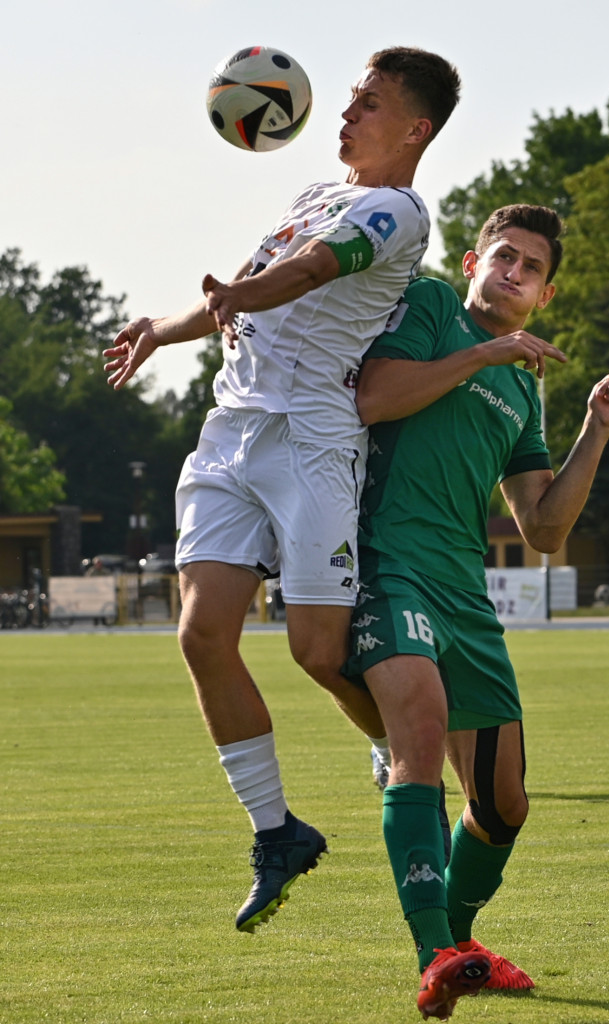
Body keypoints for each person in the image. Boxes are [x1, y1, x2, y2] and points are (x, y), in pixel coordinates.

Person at [102, 47, 461, 933]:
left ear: (414, 129)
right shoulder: (313, 194)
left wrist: (241, 292)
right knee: (201, 634)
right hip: (230, 434)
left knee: (318, 653)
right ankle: (278, 833)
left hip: (313, 444)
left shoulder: (398, 212)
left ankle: (391, 746)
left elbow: (302, 274)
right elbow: (241, 291)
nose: (345, 114)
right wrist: (161, 328)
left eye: (368, 103)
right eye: (349, 99)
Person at [344, 203, 609, 1020]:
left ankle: (461, 944)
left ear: (545, 296)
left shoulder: (521, 386)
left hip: (464, 595)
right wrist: (484, 352)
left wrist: (596, 428)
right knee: (419, 741)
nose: (514, 272)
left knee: (504, 804)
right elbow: (374, 397)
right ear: (474, 263)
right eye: (503, 256)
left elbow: (543, 528)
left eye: (531, 268)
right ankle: (434, 954)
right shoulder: (435, 308)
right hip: (388, 563)